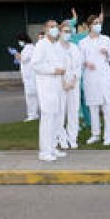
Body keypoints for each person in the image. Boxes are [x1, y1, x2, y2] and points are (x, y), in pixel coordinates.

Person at [33, 20, 66, 161]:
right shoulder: (41, 45)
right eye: (51, 27)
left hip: (57, 86)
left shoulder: (56, 46)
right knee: (47, 118)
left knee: (57, 118)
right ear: (46, 29)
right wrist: (53, 70)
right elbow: (36, 65)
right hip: (46, 87)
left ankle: (52, 147)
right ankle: (44, 152)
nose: (54, 29)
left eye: (56, 27)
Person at [79, 14, 110, 145]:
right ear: (89, 26)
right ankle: (95, 134)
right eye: (95, 23)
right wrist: (86, 64)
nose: (98, 25)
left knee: (107, 107)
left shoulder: (106, 39)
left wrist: (107, 53)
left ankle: (108, 136)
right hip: (91, 77)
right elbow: (80, 60)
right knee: (93, 108)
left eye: (99, 22)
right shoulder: (82, 43)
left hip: (105, 76)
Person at [57, 21, 82, 149]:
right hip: (60, 84)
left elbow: (78, 66)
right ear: (60, 32)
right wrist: (63, 82)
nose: (68, 34)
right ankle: (62, 138)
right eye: (65, 31)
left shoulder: (74, 48)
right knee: (60, 112)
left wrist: (72, 81)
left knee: (73, 111)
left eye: (69, 31)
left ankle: (72, 138)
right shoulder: (55, 48)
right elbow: (55, 67)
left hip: (73, 84)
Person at [11, 32, 39, 122]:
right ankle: (34, 114)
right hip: (29, 76)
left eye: (19, 40)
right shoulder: (29, 48)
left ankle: (32, 115)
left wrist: (15, 53)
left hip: (30, 76)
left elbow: (23, 58)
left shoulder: (29, 48)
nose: (19, 42)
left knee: (30, 96)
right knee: (33, 96)